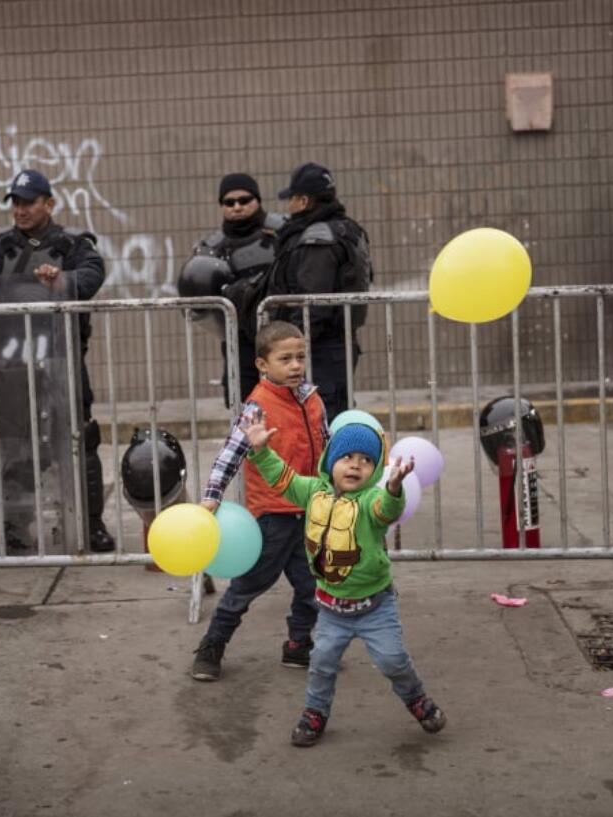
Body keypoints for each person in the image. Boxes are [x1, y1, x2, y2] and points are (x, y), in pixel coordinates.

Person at [243, 409, 447, 747]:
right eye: (347, 457)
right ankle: (315, 712)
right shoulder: (312, 492)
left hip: (375, 607)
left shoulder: (370, 502)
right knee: (321, 664)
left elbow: (388, 509)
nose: (355, 465)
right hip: (331, 610)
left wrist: (394, 487)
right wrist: (262, 451)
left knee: (392, 660)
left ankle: (416, 699)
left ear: (375, 470)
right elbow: (283, 479)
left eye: (366, 460)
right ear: (330, 460)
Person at [0, 169, 115, 553]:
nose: (21, 210)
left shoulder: (74, 243)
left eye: (29, 202)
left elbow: (93, 276)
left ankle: (91, 523)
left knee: (81, 437)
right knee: (15, 444)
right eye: (15, 202)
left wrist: (63, 280)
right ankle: (15, 527)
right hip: (11, 363)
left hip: (61, 359)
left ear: (49, 203)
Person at [190, 321, 328, 681]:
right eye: (286, 359)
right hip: (273, 517)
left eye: (300, 357)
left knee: (312, 587)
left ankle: (298, 645)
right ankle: (211, 646)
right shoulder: (258, 407)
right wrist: (211, 498)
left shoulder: (313, 400)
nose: (296, 365)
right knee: (246, 588)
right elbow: (230, 455)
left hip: (310, 512)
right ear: (263, 365)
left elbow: (326, 448)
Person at [265, 162, 373, 420]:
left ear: (303, 201)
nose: (288, 207)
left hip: (320, 350)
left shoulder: (318, 239)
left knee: (321, 422)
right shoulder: (347, 228)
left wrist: (289, 350)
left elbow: (313, 305)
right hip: (336, 345)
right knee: (329, 416)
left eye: (291, 199)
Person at [178, 173, 284, 404]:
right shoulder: (212, 247)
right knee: (244, 405)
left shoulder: (282, 233)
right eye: (229, 202)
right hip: (239, 339)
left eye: (244, 200)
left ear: (257, 200)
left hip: (283, 335)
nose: (237, 207)